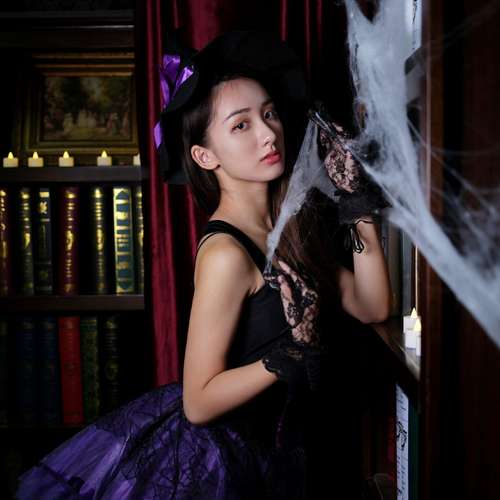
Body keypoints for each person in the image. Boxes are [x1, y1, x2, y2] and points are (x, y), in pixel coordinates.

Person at [15, 29, 392, 499]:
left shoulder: (288, 228)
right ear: (204, 155)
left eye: (269, 113)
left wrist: (357, 204)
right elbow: (198, 401)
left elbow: (372, 305)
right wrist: (288, 357)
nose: (268, 133)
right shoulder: (225, 254)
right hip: (224, 461)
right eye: (241, 125)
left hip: (289, 453)